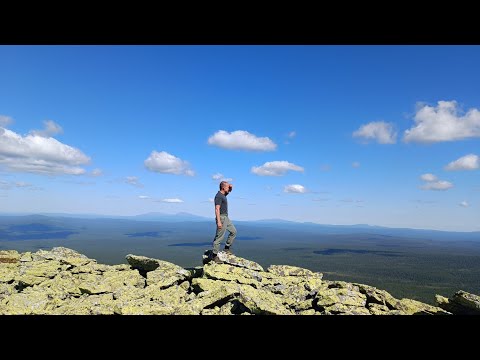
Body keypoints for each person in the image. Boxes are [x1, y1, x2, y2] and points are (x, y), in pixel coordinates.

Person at [211, 180, 237, 263]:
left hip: (226, 217)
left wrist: (231, 188)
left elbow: (229, 191)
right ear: (223, 187)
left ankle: (226, 248)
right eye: (227, 187)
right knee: (219, 237)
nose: (228, 188)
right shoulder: (218, 196)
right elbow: (217, 209)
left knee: (233, 232)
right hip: (221, 217)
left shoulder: (223, 195)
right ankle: (214, 256)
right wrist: (218, 221)